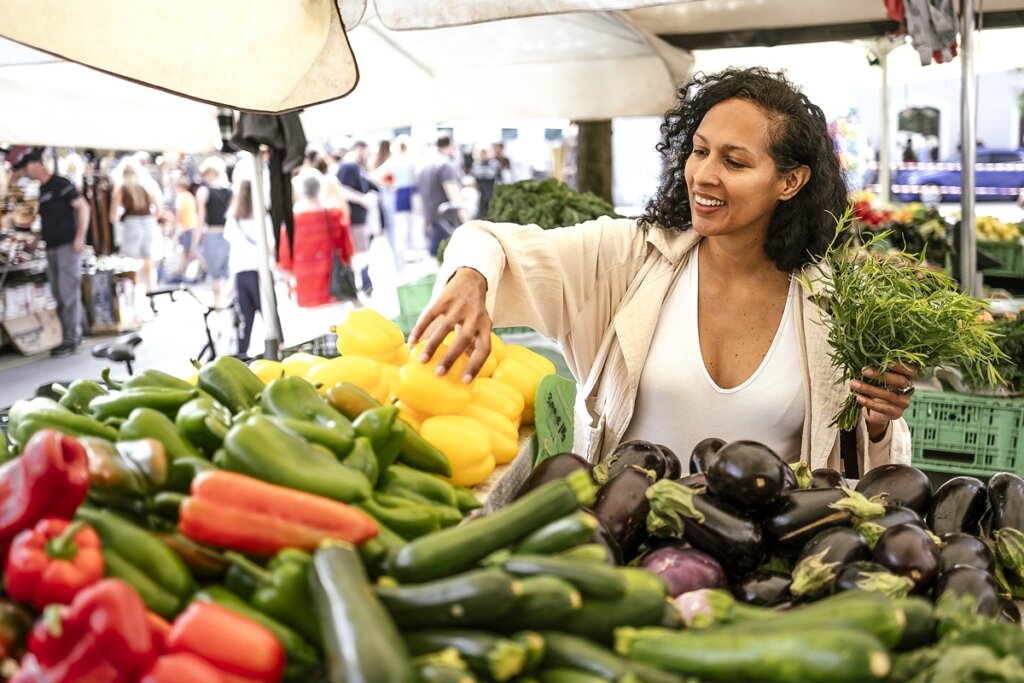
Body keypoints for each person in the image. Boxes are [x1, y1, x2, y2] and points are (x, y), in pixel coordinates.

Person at [413, 67, 918, 476]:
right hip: (626, 548)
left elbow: (867, 464)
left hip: (759, 572)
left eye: (734, 162)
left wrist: (877, 421)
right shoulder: (629, 256)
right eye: (699, 151)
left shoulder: (831, 302)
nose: (703, 174)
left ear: (790, 181)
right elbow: (485, 240)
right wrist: (470, 282)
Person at [14, 150, 90, 357]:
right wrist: (37, 237)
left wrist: (79, 238)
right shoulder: (43, 189)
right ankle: (74, 333)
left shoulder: (60, 184)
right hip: (51, 247)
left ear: (37, 164)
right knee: (59, 293)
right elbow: (50, 220)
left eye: (28, 166)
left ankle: (71, 338)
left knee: (67, 292)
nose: (27, 171)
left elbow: (83, 208)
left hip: (67, 245)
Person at [224, 180, 280, 356]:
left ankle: (242, 355)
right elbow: (271, 245)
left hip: (241, 272)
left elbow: (231, 248)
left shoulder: (233, 219)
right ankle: (279, 349)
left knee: (244, 320)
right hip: (261, 271)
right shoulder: (263, 217)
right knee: (270, 315)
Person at [280, 175, 353, 307]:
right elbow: (348, 249)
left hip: (306, 288)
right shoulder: (335, 215)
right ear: (321, 189)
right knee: (337, 326)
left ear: (300, 192)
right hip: (335, 287)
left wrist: (288, 284)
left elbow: (285, 259)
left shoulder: (292, 223)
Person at [110, 157, 162, 292]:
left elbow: (113, 216)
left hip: (131, 224)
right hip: (149, 223)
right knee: (149, 266)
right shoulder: (147, 185)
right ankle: (152, 295)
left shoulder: (121, 188)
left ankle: (133, 298)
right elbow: (159, 210)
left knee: (131, 266)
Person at [335, 141, 376, 293]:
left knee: (361, 254)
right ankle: (363, 285)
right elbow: (341, 189)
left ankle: (365, 284)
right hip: (354, 219)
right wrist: (362, 199)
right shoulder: (349, 166)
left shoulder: (354, 166)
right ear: (360, 149)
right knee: (359, 255)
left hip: (357, 218)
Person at [417, 135, 466, 257]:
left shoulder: (426, 163)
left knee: (434, 258)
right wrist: (467, 221)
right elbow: (455, 197)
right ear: (450, 145)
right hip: (445, 221)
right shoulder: (445, 165)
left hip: (433, 220)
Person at [195, 156, 233, 309]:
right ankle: (230, 308)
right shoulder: (231, 190)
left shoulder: (204, 192)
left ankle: (219, 309)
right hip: (230, 235)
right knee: (229, 275)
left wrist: (195, 243)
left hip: (213, 235)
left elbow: (200, 219)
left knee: (215, 277)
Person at [173, 175, 198, 279]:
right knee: (190, 250)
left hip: (186, 227)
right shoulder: (190, 196)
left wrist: (175, 225)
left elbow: (179, 213)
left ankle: (180, 271)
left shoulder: (181, 197)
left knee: (187, 251)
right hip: (193, 225)